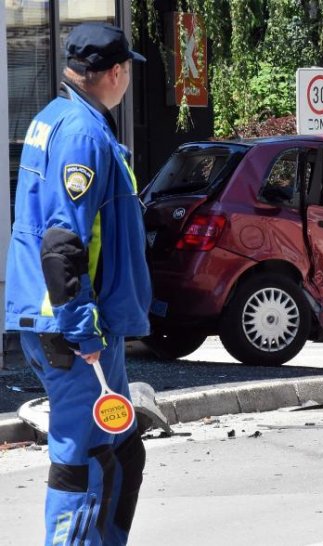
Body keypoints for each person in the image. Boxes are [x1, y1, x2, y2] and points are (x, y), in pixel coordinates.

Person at [4, 23, 150, 544]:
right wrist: (82, 332)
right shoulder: (83, 133)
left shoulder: (54, 118)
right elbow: (64, 242)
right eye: (127, 69)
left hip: (71, 323)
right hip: (74, 331)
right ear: (114, 73)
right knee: (87, 456)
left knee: (123, 451)